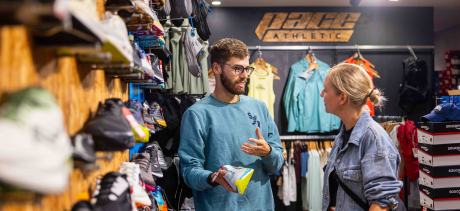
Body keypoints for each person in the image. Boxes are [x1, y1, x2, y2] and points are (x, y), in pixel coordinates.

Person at [178, 38, 284, 211]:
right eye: (237, 68)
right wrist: (213, 177)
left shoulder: (260, 107)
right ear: (217, 68)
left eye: (247, 68)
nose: (245, 75)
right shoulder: (196, 114)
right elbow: (189, 172)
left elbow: (277, 163)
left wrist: (268, 153)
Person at [320, 63, 403, 211]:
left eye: (326, 90)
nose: (321, 94)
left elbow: (381, 205)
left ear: (342, 98)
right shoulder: (343, 136)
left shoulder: (374, 139)